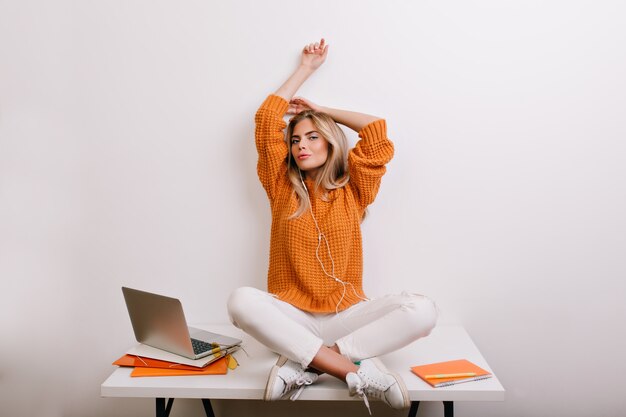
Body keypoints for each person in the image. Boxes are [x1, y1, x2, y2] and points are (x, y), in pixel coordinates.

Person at [227, 39, 438, 413]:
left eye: (312, 137)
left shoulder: (354, 188)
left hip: (346, 317)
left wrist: (321, 110)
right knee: (240, 301)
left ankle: (309, 361)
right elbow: (265, 120)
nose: (301, 146)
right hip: (291, 314)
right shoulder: (280, 187)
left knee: (422, 310)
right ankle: (351, 369)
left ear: (330, 143)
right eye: (295, 140)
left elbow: (374, 131)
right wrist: (305, 70)